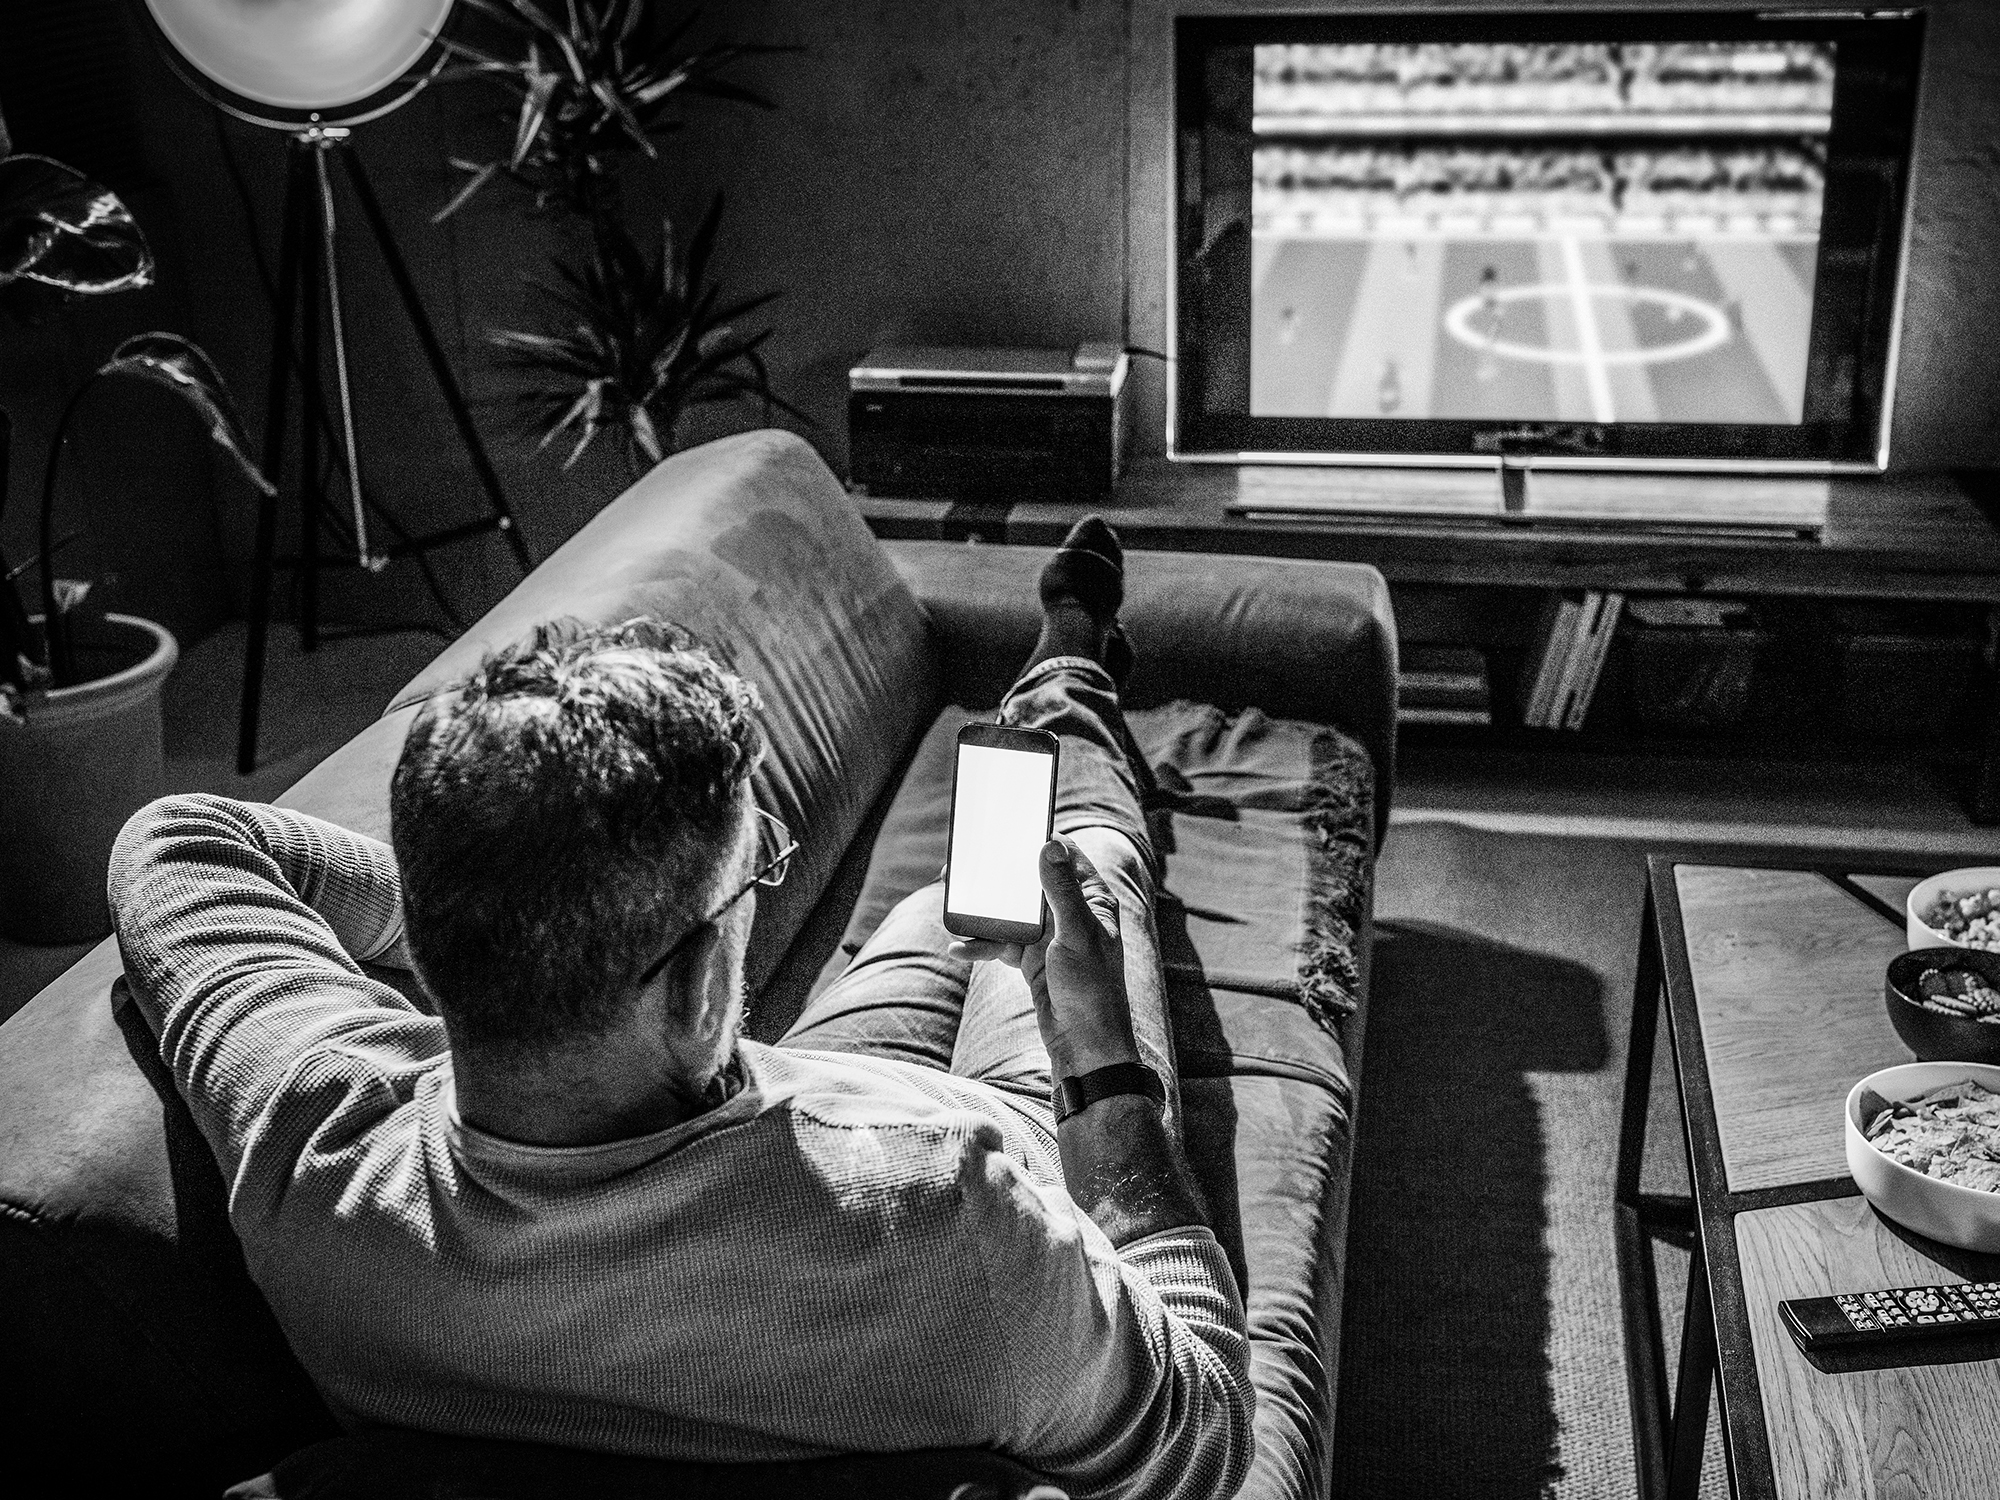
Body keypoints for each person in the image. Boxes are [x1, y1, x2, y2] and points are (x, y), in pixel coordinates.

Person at [108, 517, 1254, 1500]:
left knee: (962, 911)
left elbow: (181, 839)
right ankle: (1070, 669)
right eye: (755, 879)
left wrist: (516, 920)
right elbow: (1201, 1442)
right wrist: (1103, 1076)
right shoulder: (952, 1230)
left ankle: (1053, 694)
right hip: (999, 1135)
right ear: (707, 978)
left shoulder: (313, 1150)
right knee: (1077, 873)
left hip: (811, 1103)